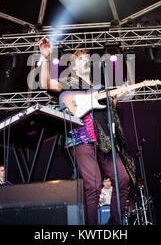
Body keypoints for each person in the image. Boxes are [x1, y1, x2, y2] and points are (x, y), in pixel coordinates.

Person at [38, 36, 136, 225]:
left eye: (87, 58)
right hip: (81, 137)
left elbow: (111, 111)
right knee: (94, 186)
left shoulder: (100, 87)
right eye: (81, 59)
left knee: (123, 178)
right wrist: (47, 58)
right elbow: (45, 84)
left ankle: (114, 226)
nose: (86, 60)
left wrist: (118, 96)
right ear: (73, 66)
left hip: (105, 140)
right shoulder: (68, 82)